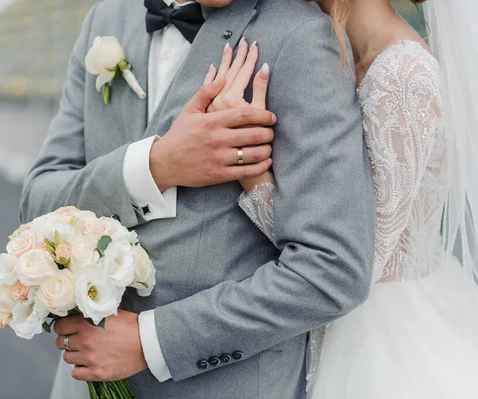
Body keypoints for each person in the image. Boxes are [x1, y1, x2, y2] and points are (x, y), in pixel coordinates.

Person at [20, 0, 375, 398]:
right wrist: (155, 166)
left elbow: (334, 268)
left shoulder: (301, 37)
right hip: (82, 386)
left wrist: (149, 342)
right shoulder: (106, 19)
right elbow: (37, 201)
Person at [206, 0, 478, 397]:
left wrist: (250, 171)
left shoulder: (403, 74)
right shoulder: (343, 57)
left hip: (385, 342)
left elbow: (356, 263)